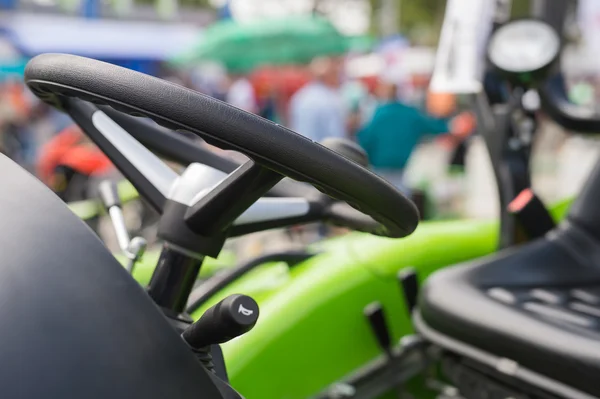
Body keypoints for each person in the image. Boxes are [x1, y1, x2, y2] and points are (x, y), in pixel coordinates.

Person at [357, 81, 475, 194]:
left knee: (381, 198)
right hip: (401, 166)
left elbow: (365, 138)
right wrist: (453, 126)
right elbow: (433, 126)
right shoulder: (409, 113)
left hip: (381, 166)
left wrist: (367, 159)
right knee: (399, 199)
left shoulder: (378, 114)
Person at [289, 57, 347, 142]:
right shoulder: (331, 99)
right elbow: (337, 137)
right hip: (324, 151)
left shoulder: (299, 96)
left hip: (301, 149)